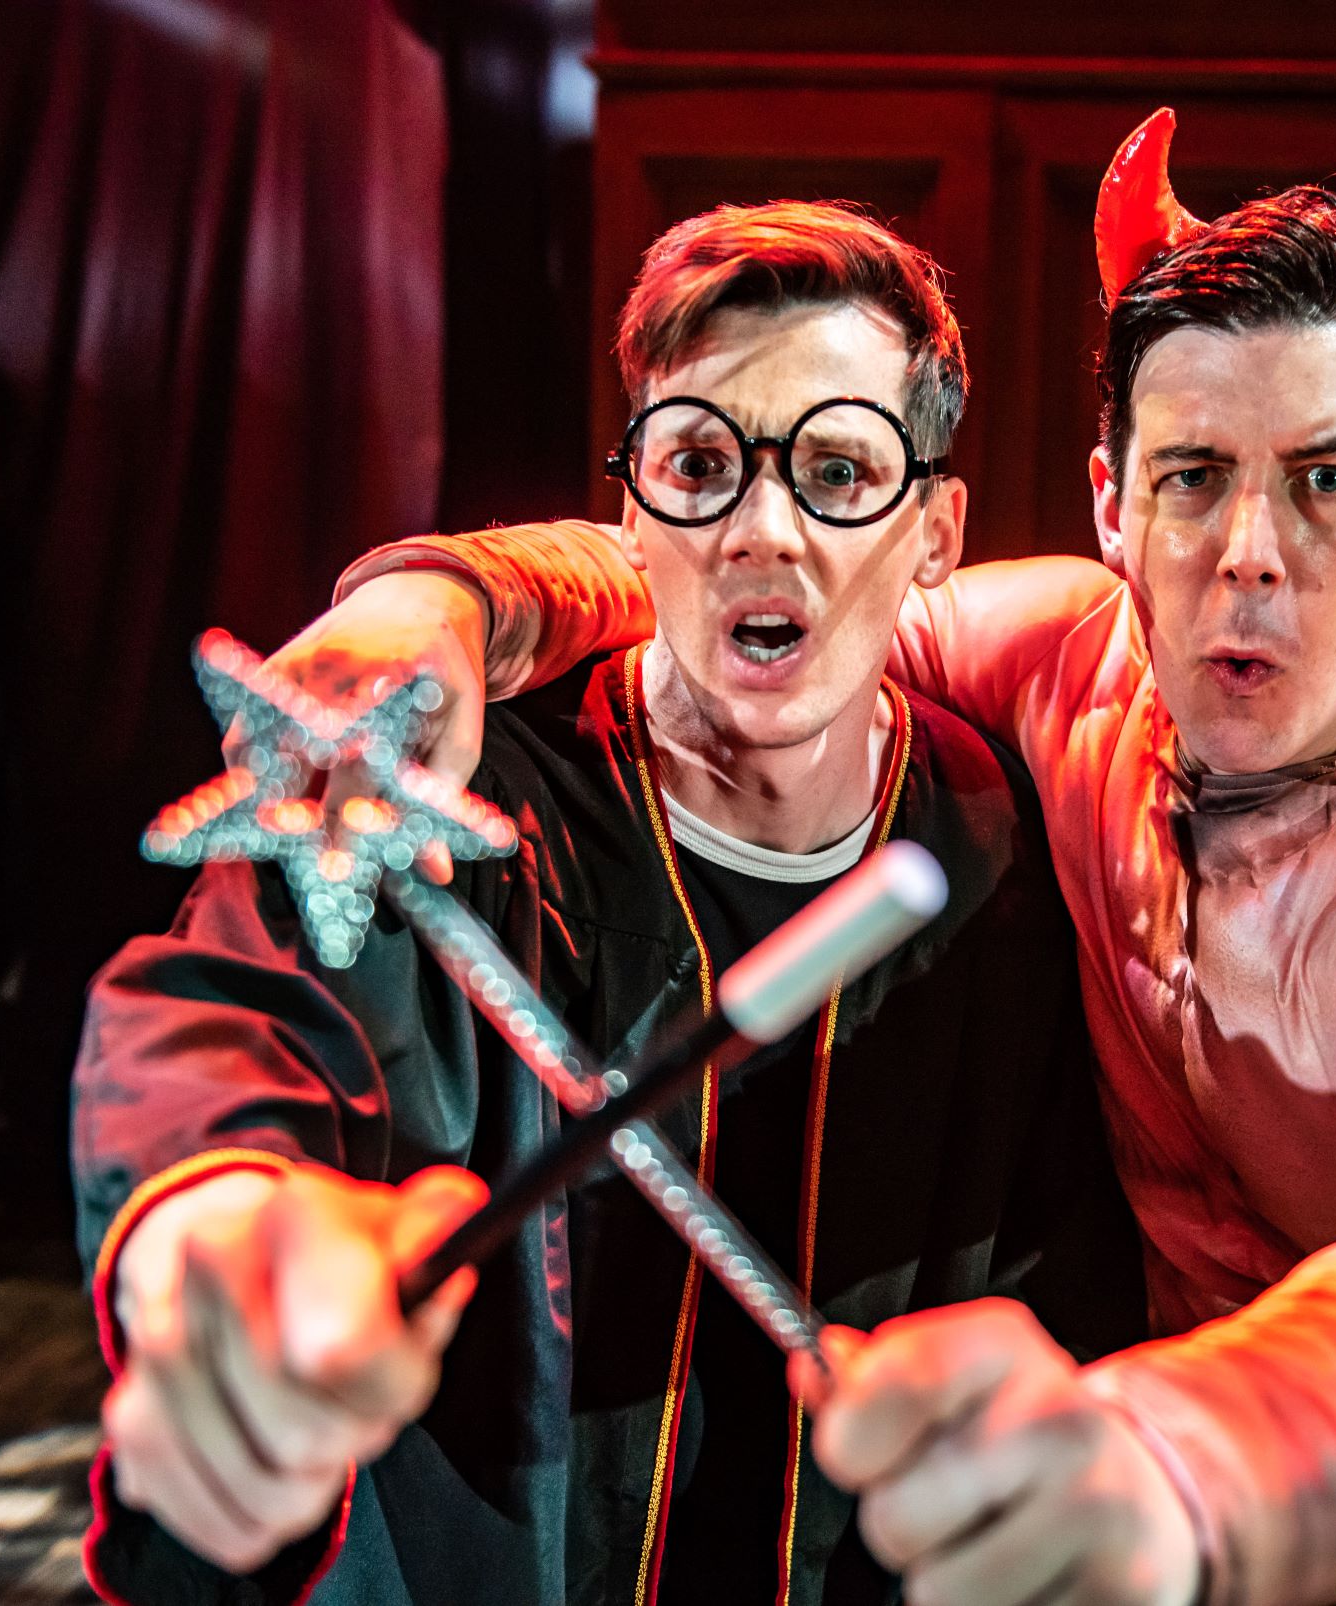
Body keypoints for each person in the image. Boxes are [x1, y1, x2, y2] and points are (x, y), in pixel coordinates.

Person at [280, 102, 1336, 1606]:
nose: (1249, 554)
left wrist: (1185, 1461)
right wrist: (445, 602)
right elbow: (762, 577)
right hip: (1164, 1507)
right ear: (1112, 504)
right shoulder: (1073, 654)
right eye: (1194, 476)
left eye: (1327, 480)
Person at [71, 199, 1144, 1606]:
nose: (764, 529)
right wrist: (213, 1231)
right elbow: (230, 1017)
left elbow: (1062, 1289)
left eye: (837, 470)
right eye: (701, 465)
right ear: (630, 512)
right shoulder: (466, 805)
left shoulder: (998, 848)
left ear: (934, 530)